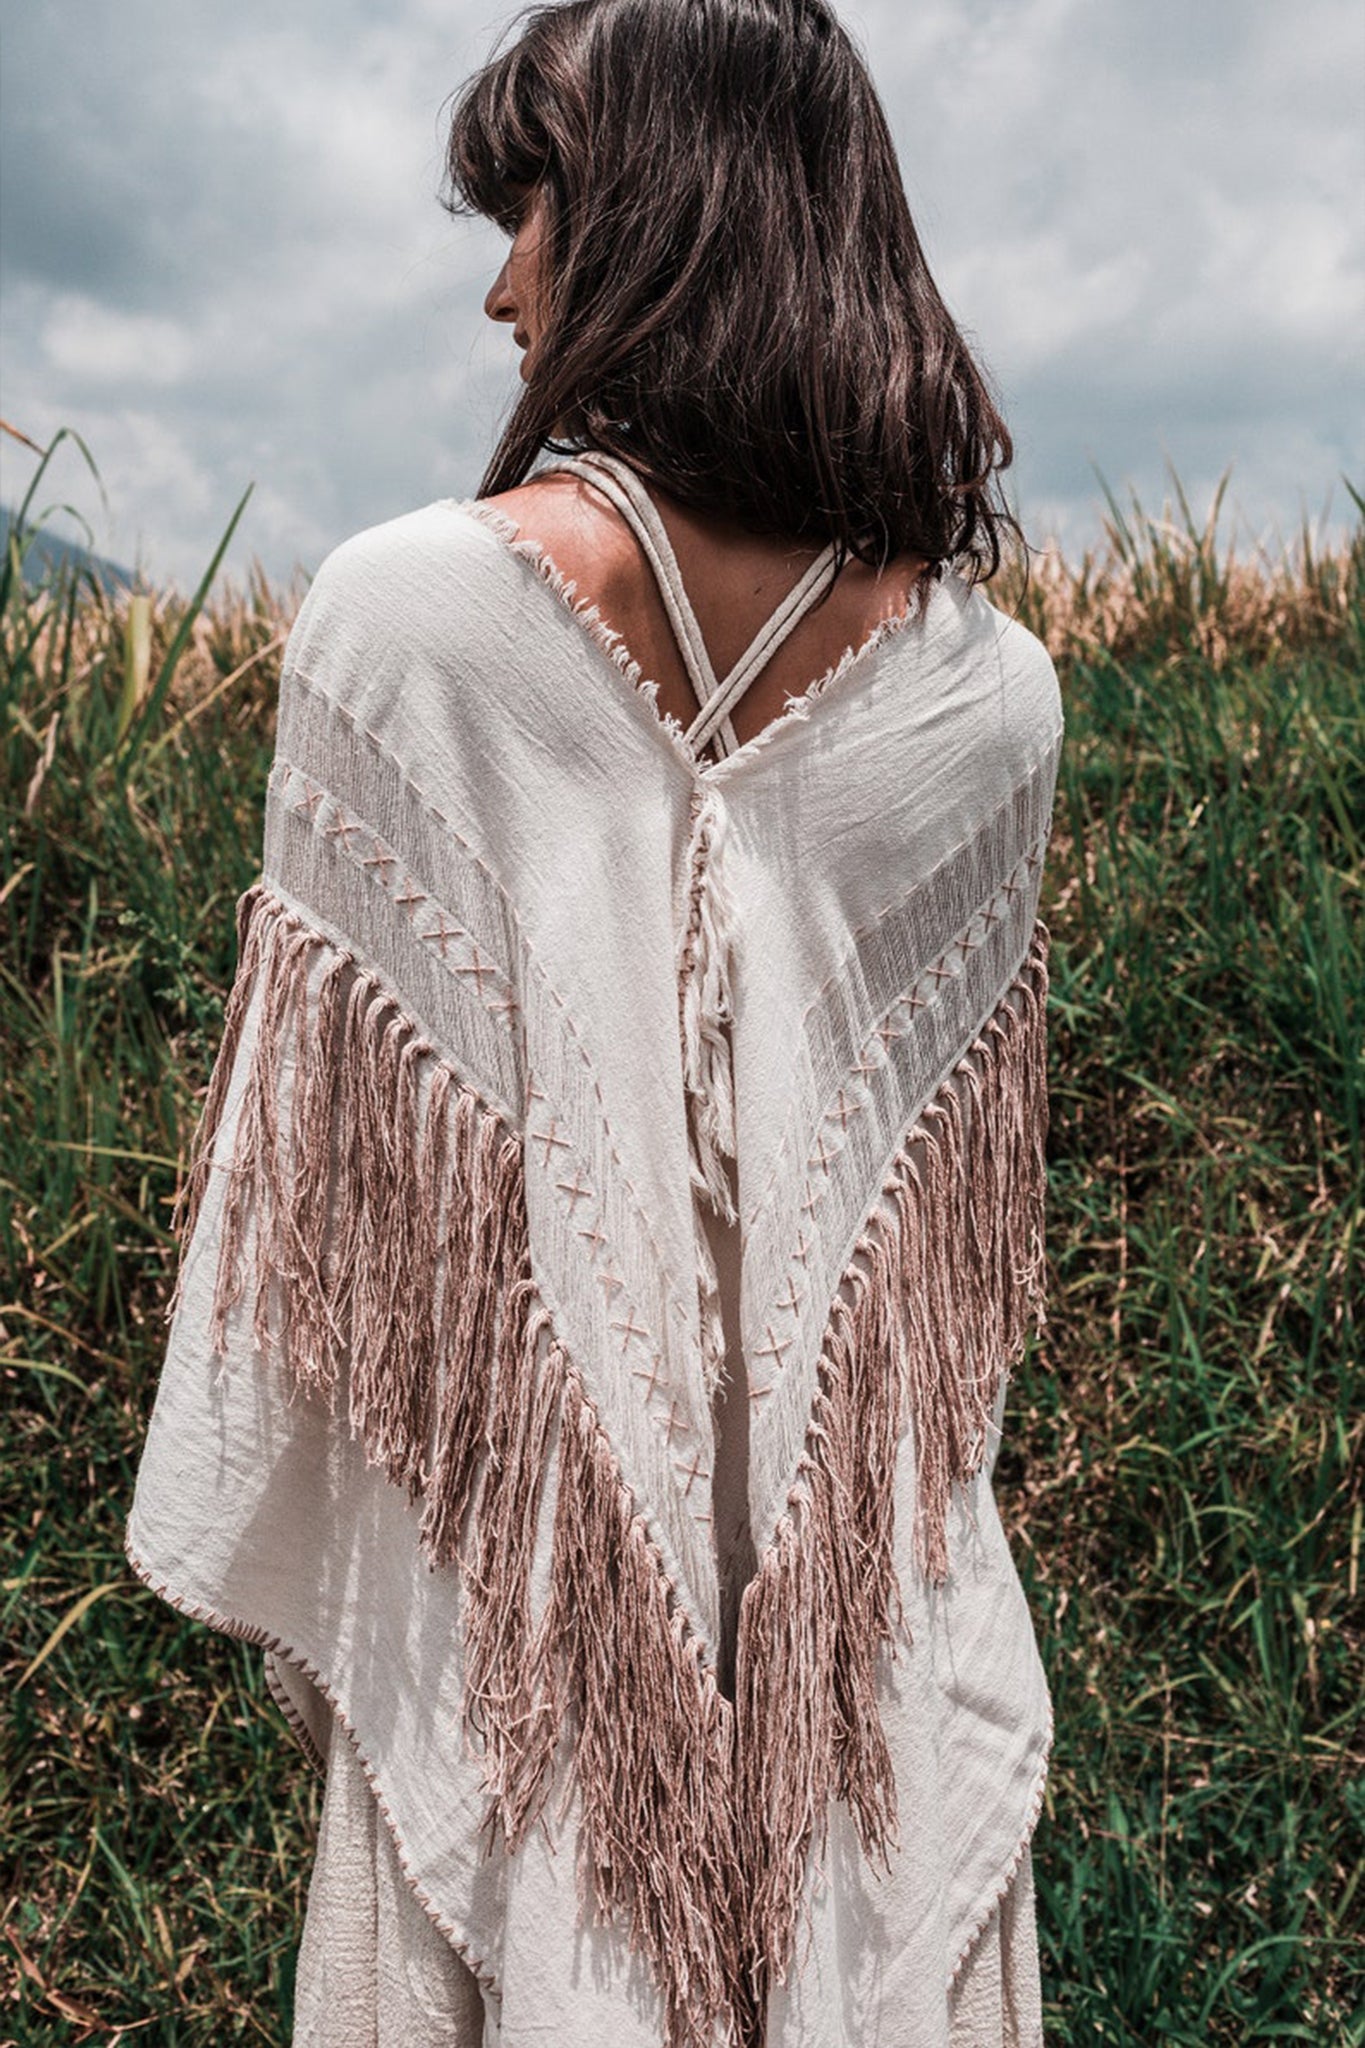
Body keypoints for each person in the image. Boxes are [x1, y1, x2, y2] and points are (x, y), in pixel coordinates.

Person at [125, 2, 1064, 2044]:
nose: (503, 286)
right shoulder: (993, 700)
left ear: (652, 211)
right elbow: (936, 1325)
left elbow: (340, 1267)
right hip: (874, 1710)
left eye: (527, 209)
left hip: (520, 1677)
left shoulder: (408, 621)